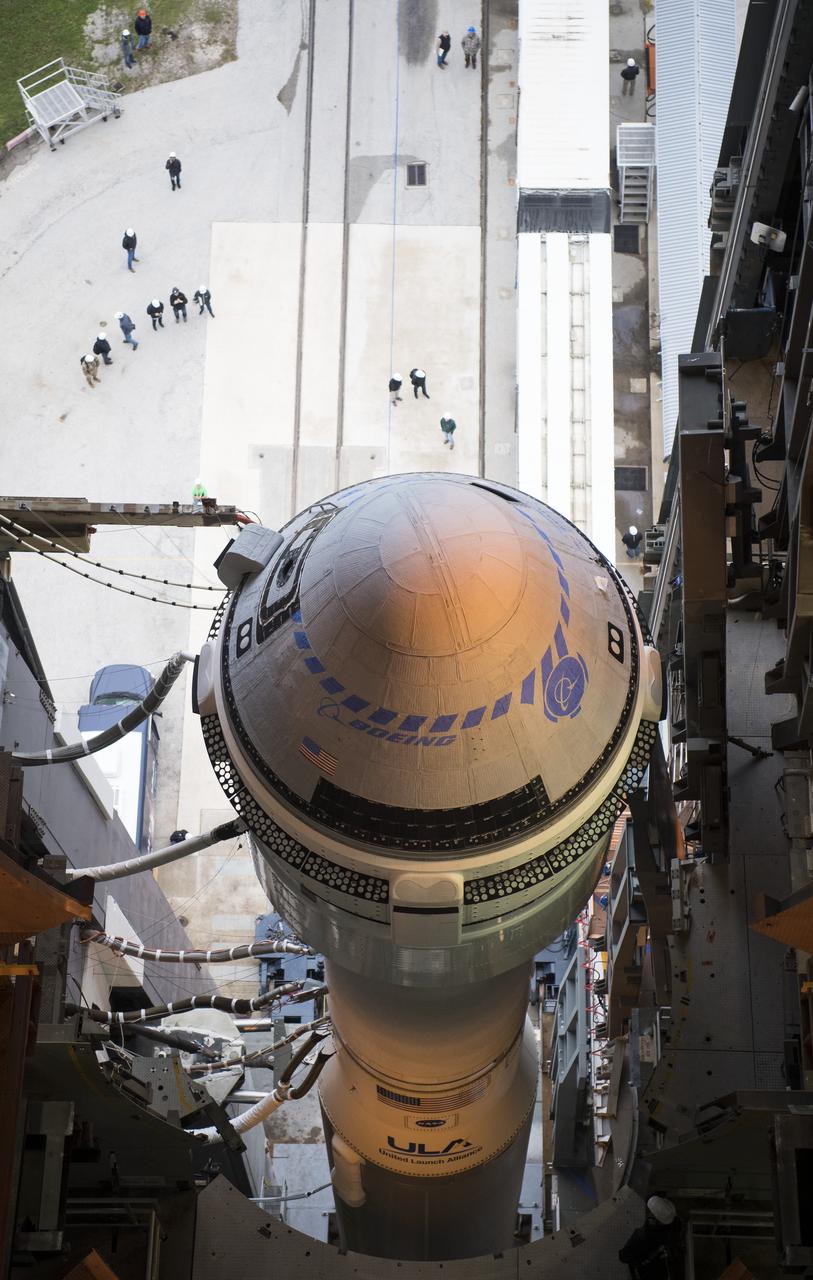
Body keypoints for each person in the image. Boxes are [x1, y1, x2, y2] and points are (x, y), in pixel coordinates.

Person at [618, 1196, 678, 1279]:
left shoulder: (643, 1236)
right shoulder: (669, 1229)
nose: (647, 1212)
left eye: (649, 1211)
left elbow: (623, 1256)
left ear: (654, 1219)